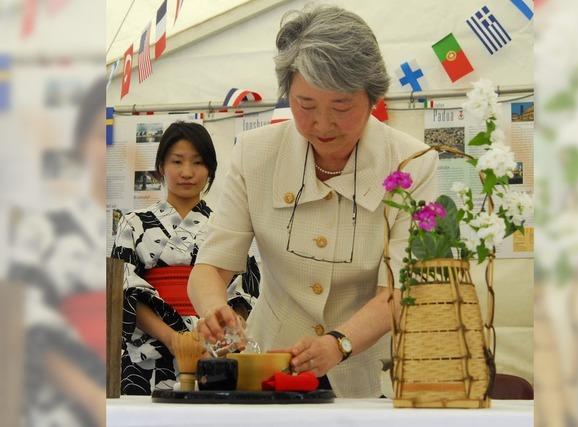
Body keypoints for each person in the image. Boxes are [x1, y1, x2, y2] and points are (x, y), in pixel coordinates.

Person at [188, 5, 438, 398]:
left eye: (341, 107)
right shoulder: (255, 154)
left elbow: (401, 287)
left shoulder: (412, 164)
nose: (323, 124)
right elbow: (211, 267)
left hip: (369, 376)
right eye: (305, 106)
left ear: (373, 98)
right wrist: (214, 308)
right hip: (271, 369)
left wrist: (340, 343)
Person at [111, 121, 259, 394]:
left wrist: (223, 335)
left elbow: (242, 293)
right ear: (160, 167)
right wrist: (172, 339)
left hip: (212, 350)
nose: (187, 172)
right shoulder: (134, 223)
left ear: (211, 170)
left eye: (198, 163)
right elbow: (124, 290)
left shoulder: (226, 225)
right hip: (149, 352)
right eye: (177, 161)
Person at [9, 78, 107, 427]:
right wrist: (88, 395)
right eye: (99, 136)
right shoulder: (43, 227)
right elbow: (27, 320)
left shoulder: (129, 228)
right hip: (61, 400)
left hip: (124, 382)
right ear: (80, 144)